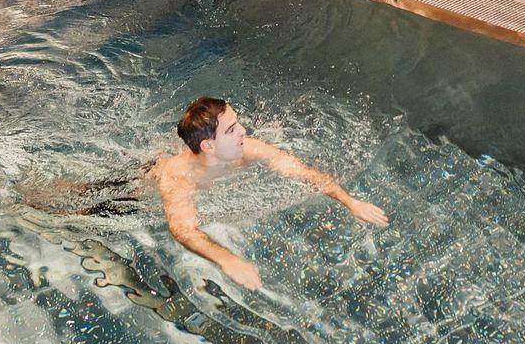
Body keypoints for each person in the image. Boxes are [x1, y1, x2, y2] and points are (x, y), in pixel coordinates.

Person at [152, 97, 387, 291]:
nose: (243, 131)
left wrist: (350, 202)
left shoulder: (249, 149)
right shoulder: (179, 179)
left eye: (237, 123)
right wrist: (228, 260)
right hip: (140, 189)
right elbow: (183, 231)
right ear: (208, 146)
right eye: (231, 130)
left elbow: (306, 174)